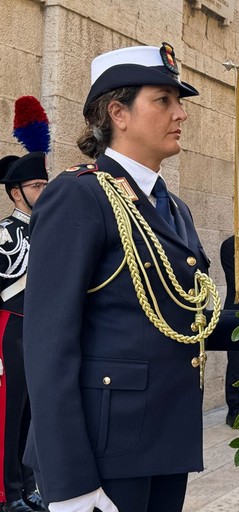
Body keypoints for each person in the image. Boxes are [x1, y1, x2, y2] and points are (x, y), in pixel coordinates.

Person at [22, 43, 239, 512]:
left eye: (180, 101)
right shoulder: (79, 196)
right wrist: (70, 481)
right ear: (118, 113)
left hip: (166, 441)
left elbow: (192, 319)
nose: (180, 114)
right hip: (106, 450)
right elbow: (48, 345)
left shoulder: (173, 207)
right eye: (163, 100)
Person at [0, 153, 48, 512]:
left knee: (32, 413)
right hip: (9, 328)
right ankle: (8, 492)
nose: (42, 191)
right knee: (8, 414)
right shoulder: (3, 234)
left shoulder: (47, 228)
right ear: (16, 193)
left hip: (38, 330)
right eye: (36, 186)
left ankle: (29, 484)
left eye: (44, 184)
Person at [220, 235, 239, 428]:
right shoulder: (229, 245)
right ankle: (233, 411)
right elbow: (238, 282)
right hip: (237, 315)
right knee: (235, 365)